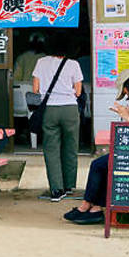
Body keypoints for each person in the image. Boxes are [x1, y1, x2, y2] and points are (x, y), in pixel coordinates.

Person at [64, 70, 129, 225]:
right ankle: (94, 208)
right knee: (106, 163)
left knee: (98, 164)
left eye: (126, 91)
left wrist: (128, 118)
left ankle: (87, 206)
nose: (128, 95)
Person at [32, 37, 83, 202]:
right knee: (70, 147)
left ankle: (56, 189)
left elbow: (35, 88)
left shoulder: (41, 62)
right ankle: (69, 186)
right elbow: (79, 92)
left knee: (51, 149)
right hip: (70, 109)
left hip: (50, 109)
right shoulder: (73, 64)